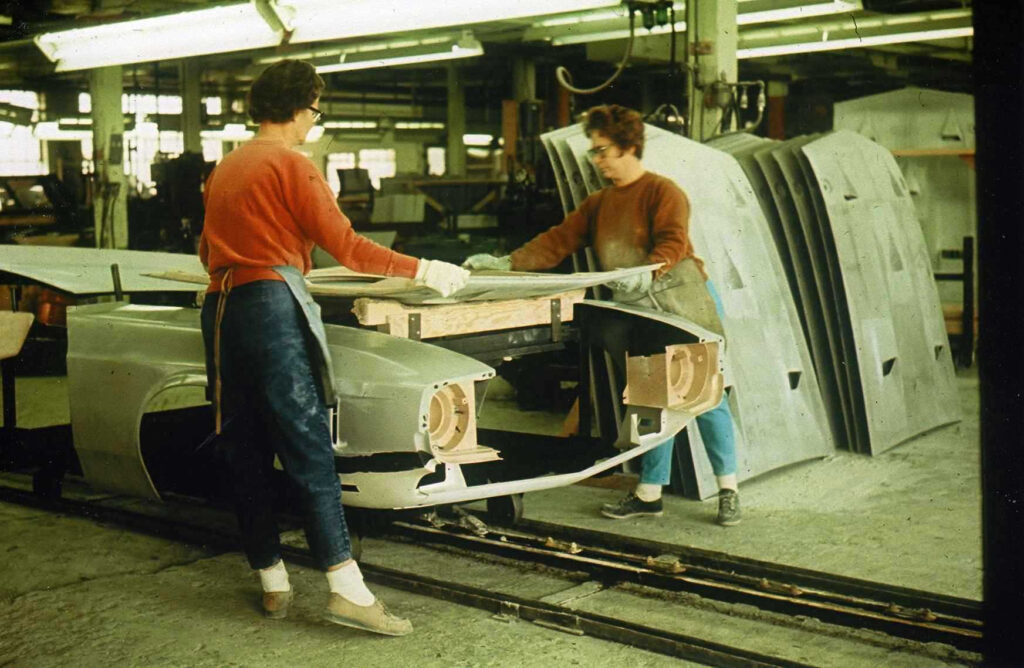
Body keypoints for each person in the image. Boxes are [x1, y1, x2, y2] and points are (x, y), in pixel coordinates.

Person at [198, 59, 469, 636]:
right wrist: (425, 269)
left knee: (241, 444)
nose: (313, 123)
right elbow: (347, 248)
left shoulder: (227, 166)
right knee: (307, 446)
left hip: (222, 310)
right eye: (315, 112)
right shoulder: (293, 165)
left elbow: (208, 252)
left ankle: (272, 580)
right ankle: (346, 590)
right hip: (272, 306)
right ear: (299, 110)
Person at [463, 104, 740, 526]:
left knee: (706, 397)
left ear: (629, 146)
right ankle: (650, 494)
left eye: (602, 150)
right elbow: (556, 242)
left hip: (683, 300)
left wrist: (647, 274)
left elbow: (672, 241)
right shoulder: (599, 204)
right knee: (654, 398)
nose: (596, 159)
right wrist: (508, 263)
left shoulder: (663, 192)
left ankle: (728, 490)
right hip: (640, 305)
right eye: (594, 151)